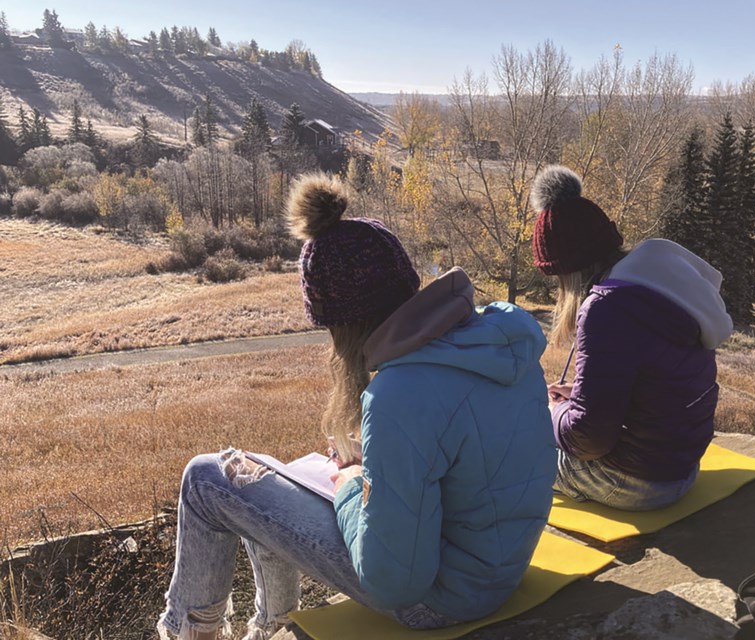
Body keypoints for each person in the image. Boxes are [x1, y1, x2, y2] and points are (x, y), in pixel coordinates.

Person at [157, 172, 557, 640]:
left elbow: (393, 583)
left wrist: (350, 484)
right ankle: (271, 625)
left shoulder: (398, 395)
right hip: (501, 568)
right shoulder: (500, 341)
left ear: (345, 326)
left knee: (207, 479)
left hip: (439, 601)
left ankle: (190, 632)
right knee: (273, 481)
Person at [530, 165, 733, 512]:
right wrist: (577, 397)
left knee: (507, 457)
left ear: (569, 271)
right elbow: (647, 385)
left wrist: (551, 412)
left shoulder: (606, 310)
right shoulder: (658, 287)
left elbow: (588, 438)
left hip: (634, 483)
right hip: (680, 468)